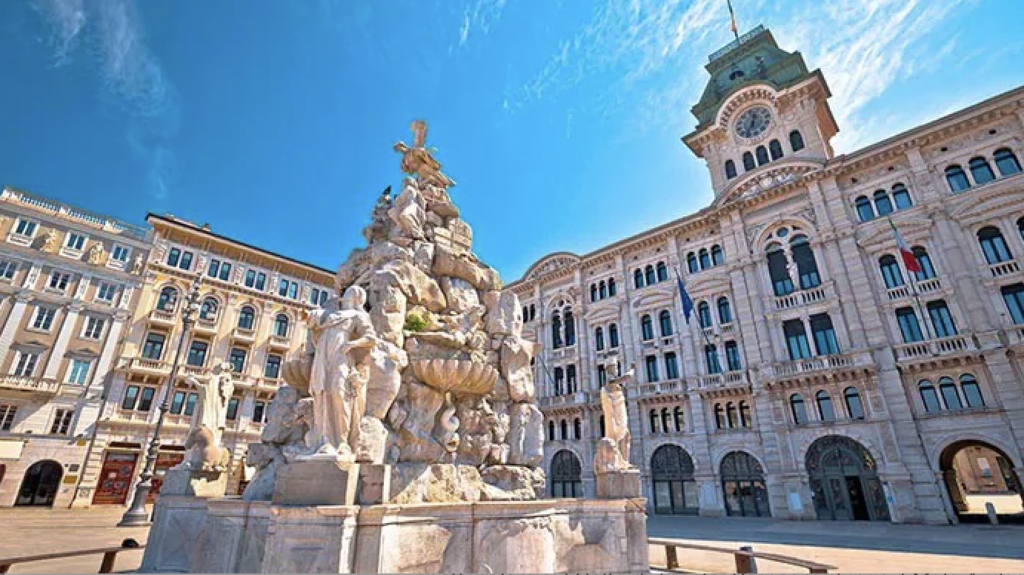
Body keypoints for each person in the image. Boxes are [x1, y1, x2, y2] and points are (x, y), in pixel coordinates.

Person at [303, 285, 378, 461]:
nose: (350, 292)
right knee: (322, 393)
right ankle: (324, 440)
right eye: (349, 290)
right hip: (323, 354)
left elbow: (371, 338)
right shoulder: (330, 315)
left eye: (354, 291)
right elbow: (312, 323)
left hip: (342, 355)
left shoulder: (359, 315)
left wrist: (352, 344)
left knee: (339, 393)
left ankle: (342, 442)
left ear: (358, 297)